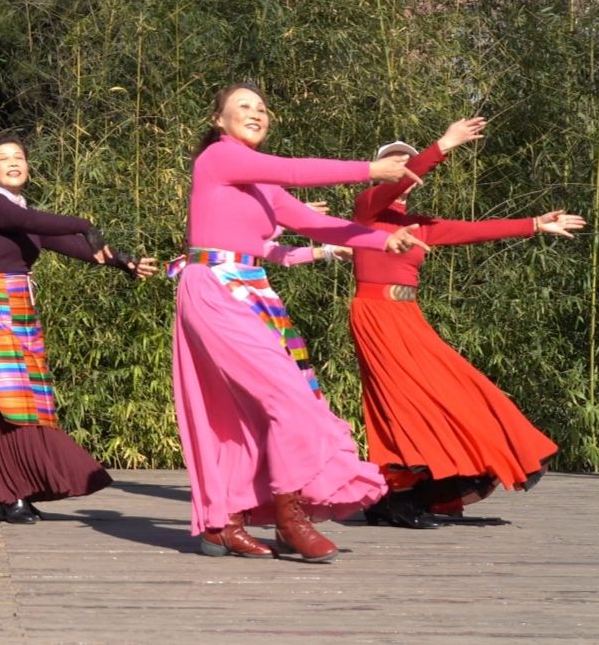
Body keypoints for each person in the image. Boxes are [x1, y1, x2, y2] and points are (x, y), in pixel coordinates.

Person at [174, 83, 427, 562]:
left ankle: (224, 522)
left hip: (249, 290)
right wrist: (371, 170)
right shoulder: (218, 159)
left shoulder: (263, 184)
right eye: (243, 107)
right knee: (284, 396)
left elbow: (314, 223)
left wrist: (380, 240)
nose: (256, 113)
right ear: (219, 121)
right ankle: (291, 519)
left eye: (262, 108)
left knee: (251, 410)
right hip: (213, 287)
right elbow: (294, 169)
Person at [350, 117, 583, 527]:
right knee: (401, 401)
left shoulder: (418, 224)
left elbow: (475, 231)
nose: (404, 166)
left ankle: (419, 489)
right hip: (376, 314)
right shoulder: (367, 207)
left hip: (408, 316)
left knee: (459, 390)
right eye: (395, 161)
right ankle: (396, 496)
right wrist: (443, 145)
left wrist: (535, 225)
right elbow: (401, 180)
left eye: (408, 159)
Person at [0, 135, 156, 523]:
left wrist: (124, 262)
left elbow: (70, 244)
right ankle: (8, 492)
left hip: (19, 308)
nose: (14, 162)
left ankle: (21, 487)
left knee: (27, 403)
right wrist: (86, 223)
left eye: (19, 157)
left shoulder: (21, 212)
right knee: (2, 404)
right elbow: (31, 222)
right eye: (4, 158)